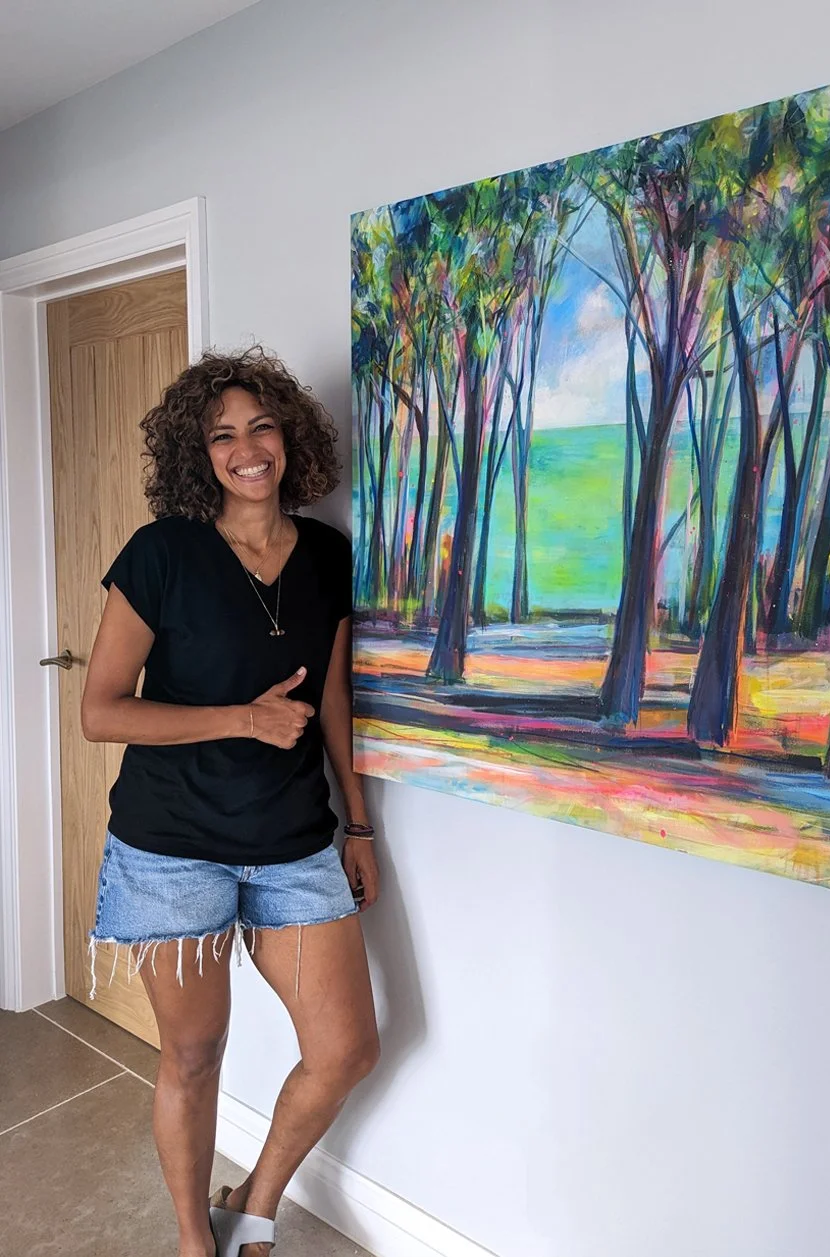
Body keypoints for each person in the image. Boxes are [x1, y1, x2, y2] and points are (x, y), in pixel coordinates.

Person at [81, 346, 380, 1257]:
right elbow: (101, 711)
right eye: (222, 435)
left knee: (344, 1049)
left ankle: (253, 1202)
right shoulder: (162, 552)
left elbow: (333, 701)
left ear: (289, 437)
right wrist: (240, 719)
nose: (246, 448)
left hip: (293, 842)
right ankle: (191, 1240)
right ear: (197, 452)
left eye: (261, 426)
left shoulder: (326, 553)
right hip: (170, 848)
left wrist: (359, 822)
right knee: (194, 1055)